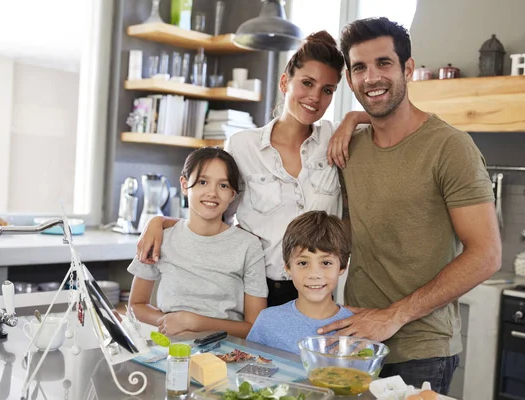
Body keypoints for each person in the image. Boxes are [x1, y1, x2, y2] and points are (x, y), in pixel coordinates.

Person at [318, 17, 502, 395]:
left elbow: (487, 255)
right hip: (356, 342)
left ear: (408, 68)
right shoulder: (351, 148)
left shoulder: (450, 148)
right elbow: (354, 231)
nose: (371, 78)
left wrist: (393, 316)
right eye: (359, 68)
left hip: (422, 349)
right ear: (350, 80)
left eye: (383, 63)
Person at [136, 31, 370, 307]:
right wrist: (159, 223)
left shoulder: (337, 137)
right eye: (307, 83)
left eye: (327, 90)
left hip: (324, 293)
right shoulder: (242, 146)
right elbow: (216, 221)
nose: (315, 98)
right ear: (285, 82)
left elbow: (392, 116)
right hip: (259, 291)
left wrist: (353, 118)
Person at [127, 147, 267, 339]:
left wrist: (194, 322)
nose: (212, 193)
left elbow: (253, 328)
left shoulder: (248, 246)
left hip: (226, 351)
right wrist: (170, 322)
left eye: (223, 185)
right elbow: (136, 306)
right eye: (202, 182)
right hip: (171, 349)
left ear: (233, 194)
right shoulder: (161, 238)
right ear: (184, 185)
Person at [246, 210, 353, 355]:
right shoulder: (268, 321)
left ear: (342, 266)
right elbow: (251, 369)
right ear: (288, 267)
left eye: (326, 263)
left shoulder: (354, 326)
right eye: (303, 263)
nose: (314, 274)